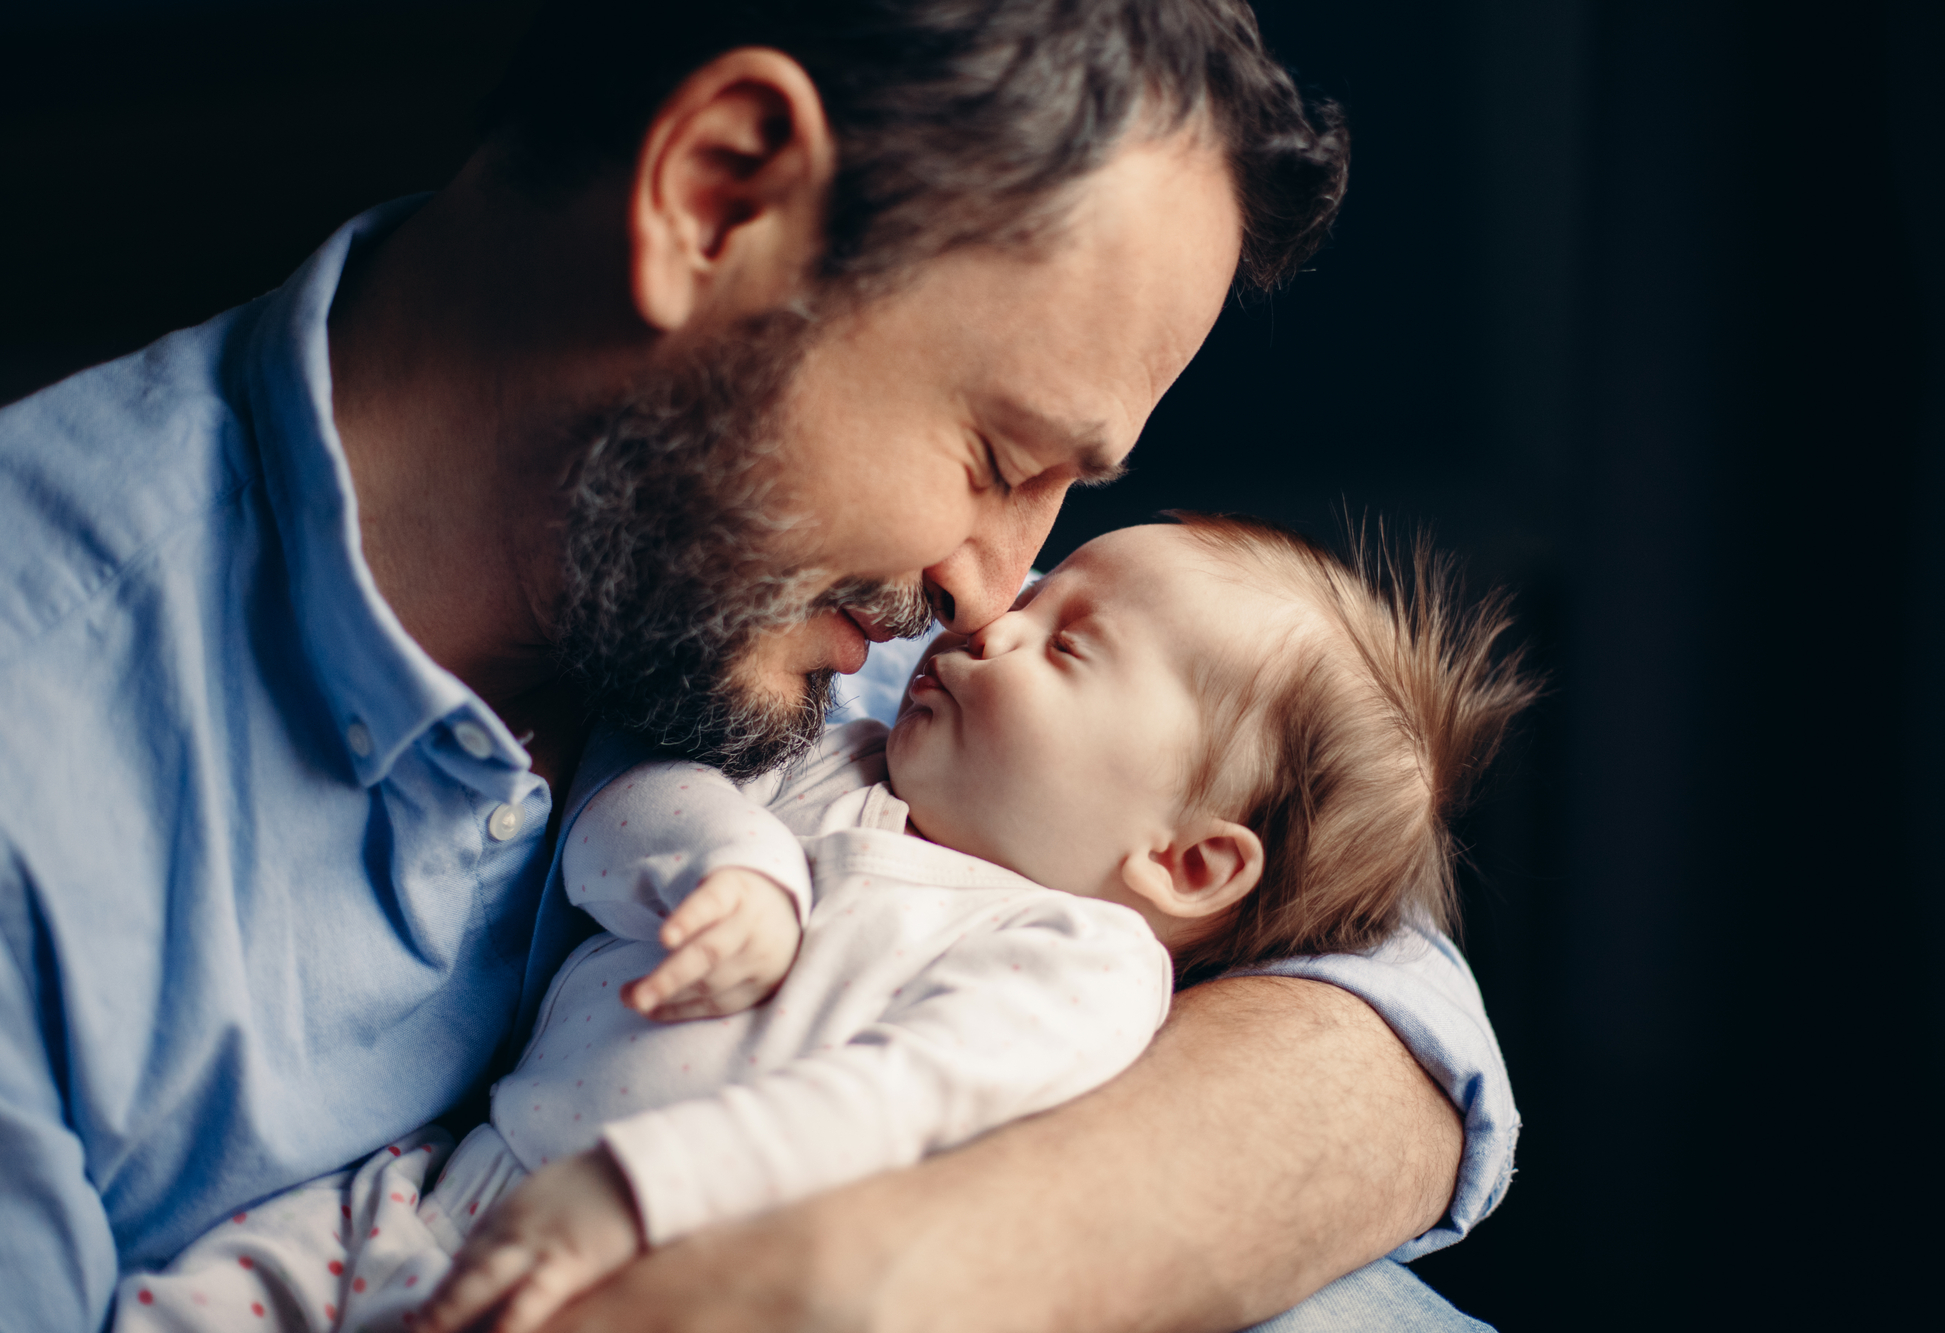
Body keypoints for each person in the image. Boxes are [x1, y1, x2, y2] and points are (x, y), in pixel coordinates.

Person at [0, 2, 1515, 1328]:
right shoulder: (44, 765)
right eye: (996, 453)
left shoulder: (849, 627)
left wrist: (909, 1275)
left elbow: (1383, 1007)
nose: (994, 590)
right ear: (719, 200)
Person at [107, 516, 1533, 1333]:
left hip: (656, 1252)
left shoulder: (1079, 968)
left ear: (1185, 857)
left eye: (1070, 642)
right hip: (441, 1184)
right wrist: (735, 868)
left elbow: (885, 1099)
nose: (988, 623)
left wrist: (640, 1192)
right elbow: (631, 806)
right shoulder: (833, 756)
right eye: (1036, 593)